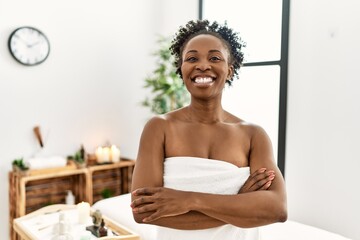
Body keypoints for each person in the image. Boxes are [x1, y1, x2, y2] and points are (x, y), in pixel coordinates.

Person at [130, 19, 287, 239]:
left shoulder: (253, 135)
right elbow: (142, 211)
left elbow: (277, 209)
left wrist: (189, 200)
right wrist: (240, 203)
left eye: (214, 58)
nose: (203, 65)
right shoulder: (159, 128)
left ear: (230, 70)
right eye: (192, 58)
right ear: (181, 69)